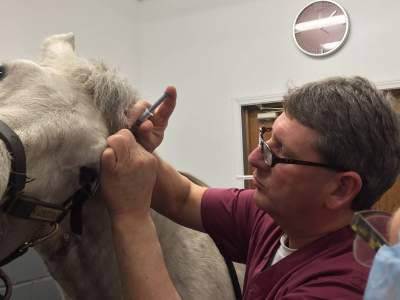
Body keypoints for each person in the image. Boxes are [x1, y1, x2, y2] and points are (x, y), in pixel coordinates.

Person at [100, 77, 400, 299]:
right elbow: (182, 197)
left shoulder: (344, 286)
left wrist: (130, 216)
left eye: (278, 152)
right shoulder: (273, 217)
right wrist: (141, 149)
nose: (255, 157)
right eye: (265, 139)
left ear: (340, 189)